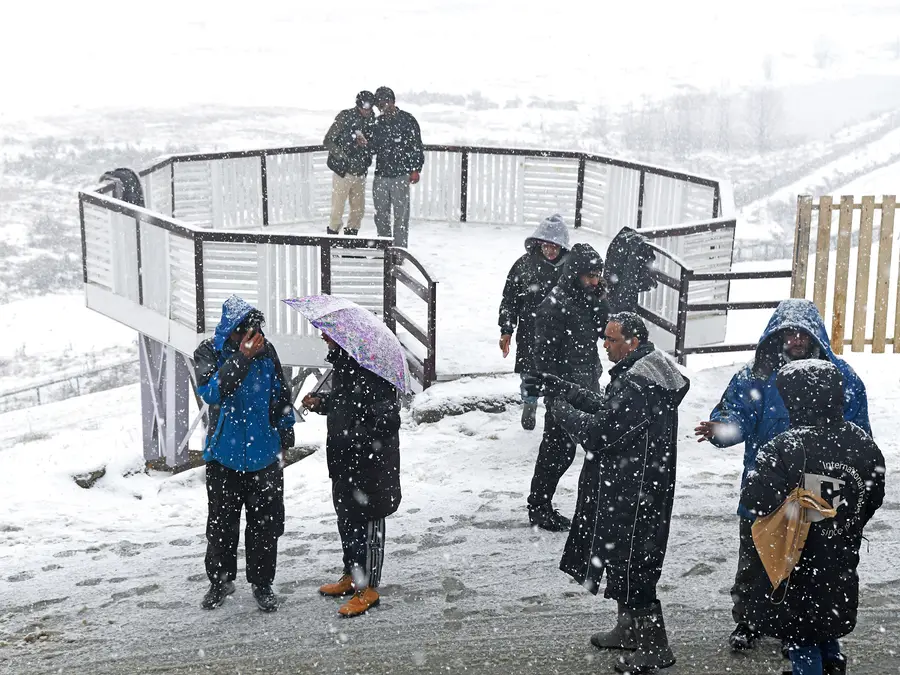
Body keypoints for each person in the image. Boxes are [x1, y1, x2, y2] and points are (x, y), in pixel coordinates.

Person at [694, 298, 871, 651]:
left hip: (818, 488)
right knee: (756, 557)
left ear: (815, 335)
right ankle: (749, 620)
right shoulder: (754, 377)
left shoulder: (842, 377)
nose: (795, 339)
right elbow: (736, 418)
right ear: (775, 336)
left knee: (809, 562)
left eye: (802, 333)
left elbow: (858, 435)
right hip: (767, 483)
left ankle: (800, 630)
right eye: (787, 333)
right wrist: (722, 430)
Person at [545, 312, 688, 674]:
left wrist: (562, 411)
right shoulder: (639, 376)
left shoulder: (640, 387)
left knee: (635, 564)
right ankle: (628, 630)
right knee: (622, 559)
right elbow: (613, 413)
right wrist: (574, 393)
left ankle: (655, 647)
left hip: (636, 493)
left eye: (611, 339)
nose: (604, 344)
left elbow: (602, 432)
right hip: (633, 487)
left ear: (633, 343)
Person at [741, 360, 885, 675]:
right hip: (841, 557)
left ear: (793, 400)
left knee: (801, 634)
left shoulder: (782, 447)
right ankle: (833, 663)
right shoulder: (862, 442)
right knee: (827, 616)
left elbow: (756, 501)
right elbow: (873, 496)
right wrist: (843, 523)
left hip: (796, 563)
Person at [193, 296, 295, 612]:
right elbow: (211, 391)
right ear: (230, 331)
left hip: (264, 457)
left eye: (253, 330)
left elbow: (281, 394)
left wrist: (285, 429)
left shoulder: (268, 353)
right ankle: (220, 581)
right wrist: (241, 358)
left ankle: (262, 584)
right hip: (224, 458)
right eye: (242, 331)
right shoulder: (209, 352)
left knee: (265, 527)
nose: (250, 337)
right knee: (222, 528)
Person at [302, 333, 402, 618]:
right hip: (346, 461)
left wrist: (355, 437)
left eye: (329, 335)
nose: (323, 336)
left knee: (368, 525)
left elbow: (388, 420)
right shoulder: (346, 368)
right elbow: (345, 405)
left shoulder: (374, 372)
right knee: (347, 521)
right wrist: (321, 403)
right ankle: (351, 574)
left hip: (370, 465)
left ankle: (367, 587)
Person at [525, 242, 609, 531]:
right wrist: (554, 391)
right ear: (575, 273)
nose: (595, 280)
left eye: (598, 274)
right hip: (564, 389)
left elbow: (602, 331)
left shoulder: (587, 298)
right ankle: (539, 507)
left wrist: (600, 298)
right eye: (590, 276)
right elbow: (543, 355)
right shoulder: (554, 305)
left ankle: (586, 508)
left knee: (585, 449)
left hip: (586, 384)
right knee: (557, 451)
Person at [498, 214, 570, 431]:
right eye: (546, 245)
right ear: (539, 243)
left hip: (560, 333)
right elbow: (509, 300)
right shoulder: (524, 266)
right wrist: (507, 329)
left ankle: (555, 409)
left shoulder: (569, 269)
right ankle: (529, 403)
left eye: (555, 247)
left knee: (557, 373)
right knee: (530, 371)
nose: (550, 250)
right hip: (531, 330)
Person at [370, 86, 424, 248]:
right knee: (381, 215)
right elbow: (373, 148)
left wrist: (415, 169)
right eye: (379, 103)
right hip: (381, 175)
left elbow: (416, 147)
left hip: (401, 175)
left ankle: (399, 251)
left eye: (385, 101)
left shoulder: (408, 120)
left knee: (401, 215)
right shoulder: (377, 123)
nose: (382, 106)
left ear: (392, 101)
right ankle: (385, 247)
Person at [323, 91, 377, 236]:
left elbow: (374, 144)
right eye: (365, 105)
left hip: (360, 172)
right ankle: (331, 243)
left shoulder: (372, 120)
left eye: (371, 106)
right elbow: (328, 140)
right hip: (343, 172)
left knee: (357, 211)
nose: (368, 109)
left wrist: (366, 145)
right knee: (337, 210)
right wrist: (343, 155)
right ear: (358, 104)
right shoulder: (345, 117)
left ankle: (350, 244)